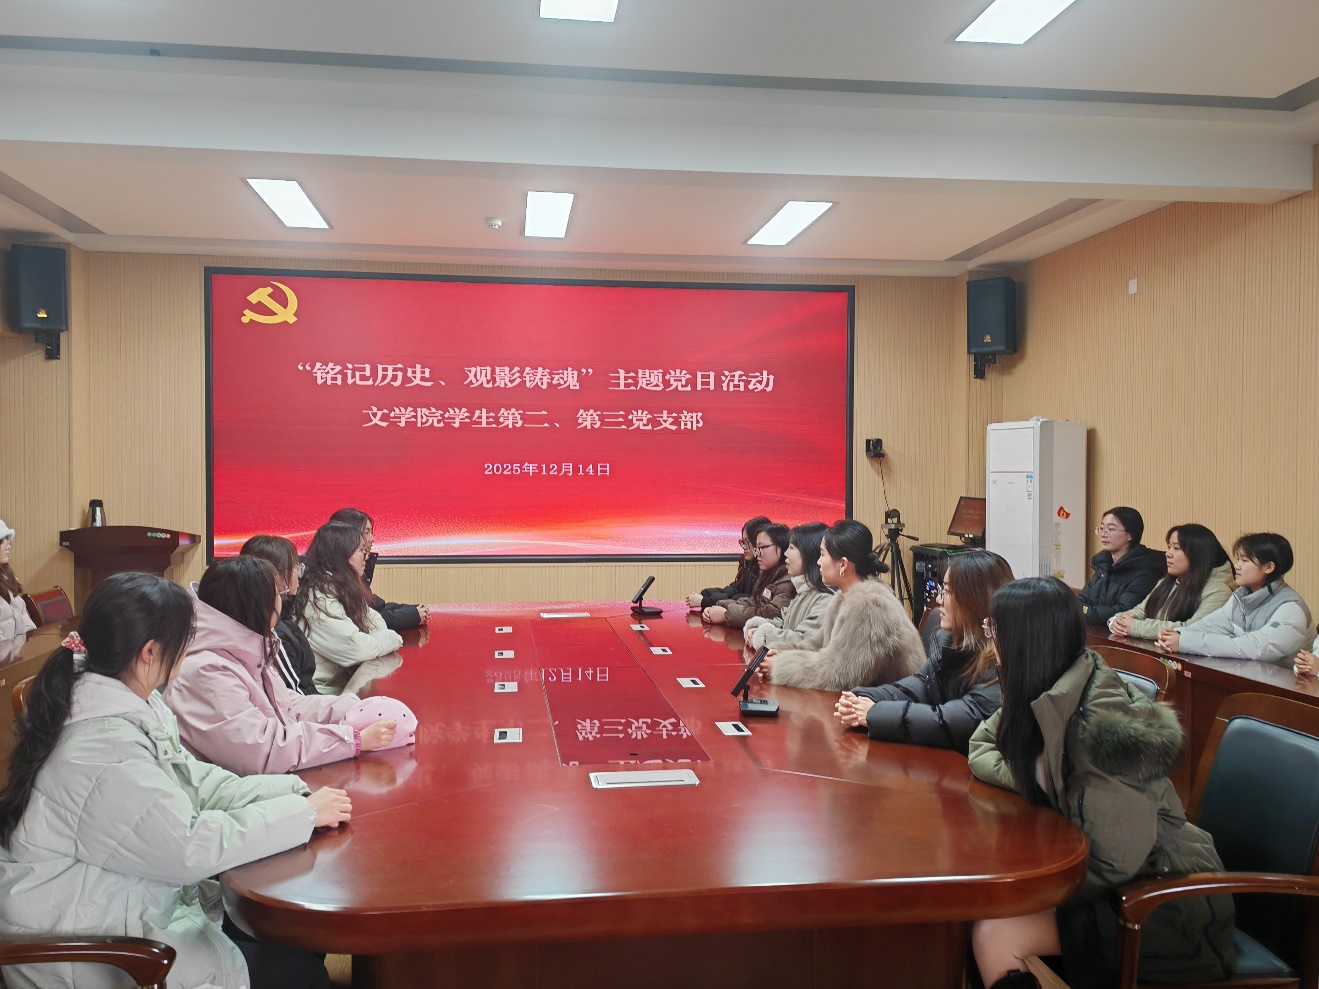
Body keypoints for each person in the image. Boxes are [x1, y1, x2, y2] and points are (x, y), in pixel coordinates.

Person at [0, 571, 352, 989]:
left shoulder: (124, 702)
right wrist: (300, 814)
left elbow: (195, 781)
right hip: (96, 952)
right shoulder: (104, 748)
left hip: (123, 903)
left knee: (294, 933)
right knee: (299, 971)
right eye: (185, 641)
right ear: (150, 652)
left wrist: (294, 794)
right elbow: (188, 847)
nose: (188, 652)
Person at [966, 577, 1234, 989]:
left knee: (995, 932)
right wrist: (1034, 780)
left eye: (994, 629)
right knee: (978, 907)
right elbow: (981, 744)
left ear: (1025, 639)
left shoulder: (1102, 727)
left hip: (1163, 903)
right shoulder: (1051, 686)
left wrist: (1034, 893)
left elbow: (1116, 861)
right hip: (1119, 882)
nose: (991, 640)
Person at [164, 556, 399, 776]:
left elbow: (287, 706)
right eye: (277, 592)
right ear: (257, 604)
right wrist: (351, 739)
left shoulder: (245, 647)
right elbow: (262, 749)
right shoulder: (206, 670)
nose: (282, 598)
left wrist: (355, 708)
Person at [834, 551, 1013, 753]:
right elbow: (918, 686)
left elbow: (953, 723)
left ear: (973, 599)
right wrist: (861, 697)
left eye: (946, 591)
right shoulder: (952, 642)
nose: (939, 599)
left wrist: (875, 712)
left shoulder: (999, 662)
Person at [760, 520, 925, 691]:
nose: (818, 562)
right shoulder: (844, 598)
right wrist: (778, 652)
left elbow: (839, 676)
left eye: (822, 555)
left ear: (843, 564)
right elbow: (819, 646)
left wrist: (779, 666)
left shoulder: (868, 606)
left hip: (894, 702)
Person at [1160, 532, 1312, 665]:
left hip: (1289, 686)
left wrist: (1185, 642)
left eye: (1245, 561)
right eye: (1238, 559)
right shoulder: (1241, 596)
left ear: (1268, 567)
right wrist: (1178, 635)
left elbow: (1256, 648)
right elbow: (1212, 625)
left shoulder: (1291, 608)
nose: (1237, 566)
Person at [296, 522, 404, 694]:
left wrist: (377, 639)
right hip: (324, 694)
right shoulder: (318, 599)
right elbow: (358, 650)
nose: (366, 557)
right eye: (361, 551)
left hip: (344, 686)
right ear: (341, 556)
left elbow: (374, 620)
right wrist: (391, 638)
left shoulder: (340, 588)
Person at [1108, 524, 1234, 640]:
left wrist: (1136, 627)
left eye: (1176, 548)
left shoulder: (1219, 591)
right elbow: (1141, 611)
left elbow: (1192, 629)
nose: (1168, 554)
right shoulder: (1167, 582)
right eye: (1169, 547)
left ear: (1199, 554)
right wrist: (1117, 621)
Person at [328, 507, 429, 631]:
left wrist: (414, 610)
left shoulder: (355, 567)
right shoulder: (331, 577)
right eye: (366, 532)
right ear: (345, 536)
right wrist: (411, 616)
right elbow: (362, 620)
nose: (372, 538)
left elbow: (375, 606)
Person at [241, 534, 317, 693]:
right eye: (295, 566)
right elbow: (296, 695)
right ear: (278, 577)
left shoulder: (280, 614)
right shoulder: (274, 633)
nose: (299, 572)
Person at [743, 522, 834, 650]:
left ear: (808, 553)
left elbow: (806, 642)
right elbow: (784, 623)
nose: (786, 553)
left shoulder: (825, 598)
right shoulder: (803, 592)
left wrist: (765, 635)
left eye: (791, 548)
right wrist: (760, 627)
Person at [1077, 507, 1166, 626]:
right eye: (1102, 528)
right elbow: (1080, 601)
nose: (1103, 534)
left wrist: (1084, 612)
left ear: (1130, 535)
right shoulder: (1103, 565)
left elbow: (1123, 612)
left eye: (1111, 529)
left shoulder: (1145, 571)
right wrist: (1082, 611)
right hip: (1096, 629)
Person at [702, 523, 794, 628]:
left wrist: (726, 614)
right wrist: (718, 606)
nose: (757, 554)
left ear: (781, 546)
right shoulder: (770, 575)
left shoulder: (787, 581)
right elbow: (754, 602)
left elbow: (769, 614)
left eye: (762, 547)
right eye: (756, 548)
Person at [687, 516, 772, 610]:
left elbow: (747, 601)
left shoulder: (768, 571)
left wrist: (705, 601)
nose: (744, 547)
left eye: (747, 542)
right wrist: (706, 595)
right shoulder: (749, 564)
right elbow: (734, 590)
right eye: (743, 542)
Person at [0, 520, 36, 642]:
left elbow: (26, 621)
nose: (8, 546)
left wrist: (30, 641)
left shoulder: (7, 577)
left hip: (19, 650)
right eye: (3, 541)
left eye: (8, 540)